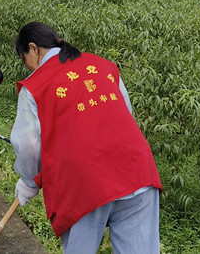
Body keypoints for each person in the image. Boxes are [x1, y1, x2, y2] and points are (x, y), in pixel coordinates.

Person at [11, 22, 162, 253]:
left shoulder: (35, 85)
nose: (29, 68)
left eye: (25, 60)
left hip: (83, 182)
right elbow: (126, 114)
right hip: (137, 170)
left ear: (33, 48)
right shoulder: (104, 66)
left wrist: (28, 182)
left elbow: (29, 145)